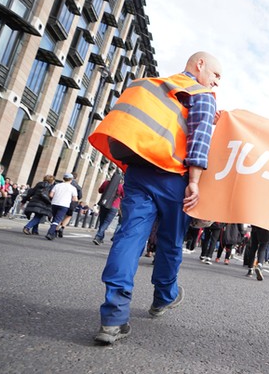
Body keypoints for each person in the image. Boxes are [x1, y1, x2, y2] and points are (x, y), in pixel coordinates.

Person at [89, 51, 222, 345]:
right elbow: (198, 139)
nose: (216, 83)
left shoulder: (152, 86)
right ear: (199, 65)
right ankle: (163, 297)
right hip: (174, 177)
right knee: (170, 241)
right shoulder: (202, 94)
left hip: (138, 171)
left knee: (128, 238)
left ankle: (113, 317)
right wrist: (196, 182)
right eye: (215, 75)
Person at [93, 175, 124, 245]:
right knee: (106, 222)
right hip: (114, 206)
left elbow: (100, 190)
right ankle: (98, 237)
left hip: (104, 204)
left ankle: (100, 237)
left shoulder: (106, 183)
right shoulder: (120, 186)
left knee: (102, 221)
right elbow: (124, 195)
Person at [46, 173, 78, 240]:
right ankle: (50, 233)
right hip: (64, 204)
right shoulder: (73, 188)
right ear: (71, 179)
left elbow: (51, 195)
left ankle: (53, 233)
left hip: (54, 203)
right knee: (57, 220)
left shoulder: (57, 185)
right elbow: (75, 199)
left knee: (55, 218)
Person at [57, 172, 82, 237]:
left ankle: (56, 229)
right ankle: (62, 227)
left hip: (62, 200)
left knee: (60, 215)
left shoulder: (62, 183)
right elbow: (80, 196)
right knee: (68, 216)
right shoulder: (78, 186)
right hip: (72, 202)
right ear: (76, 178)